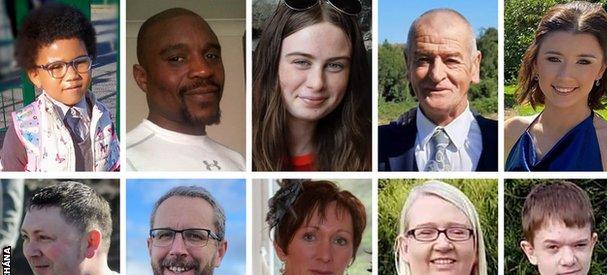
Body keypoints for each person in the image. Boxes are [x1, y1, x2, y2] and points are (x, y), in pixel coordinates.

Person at [252, 0, 371, 171]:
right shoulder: (243, 151)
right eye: (301, 62)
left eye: (335, 65)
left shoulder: (369, 151)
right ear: (272, 62)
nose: (317, 83)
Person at [505, 1, 607, 171]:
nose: (565, 75)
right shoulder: (510, 132)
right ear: (535, 64)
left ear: (601, 70)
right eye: (554, 59)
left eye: (583, 62)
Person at [1, 3, 120, 171]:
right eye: (56, 67)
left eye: (80, 62)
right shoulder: (24, 127)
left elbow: (115, 165)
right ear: (35, 75)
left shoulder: (103, 115)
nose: (72, 75)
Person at [378, 9, 497, 172]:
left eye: (451, 60)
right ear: (408, 65)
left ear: (475, 66)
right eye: (423, 60)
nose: (436, 75)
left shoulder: (503, 141)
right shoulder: (375, 144)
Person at [127, 8, 245, 172]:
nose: (204, 70)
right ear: (142, 78)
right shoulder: (124, 159)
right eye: (177, 59)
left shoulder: (238, 161)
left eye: (211, 56)